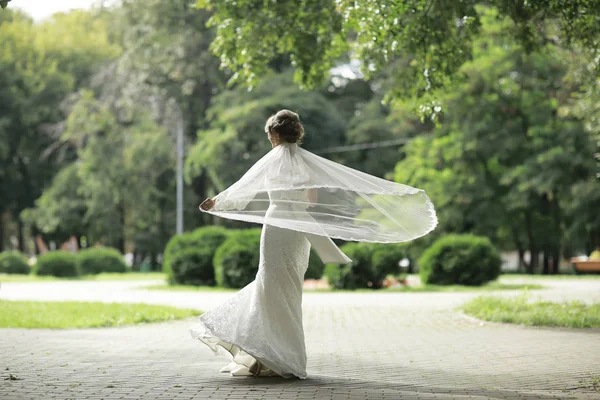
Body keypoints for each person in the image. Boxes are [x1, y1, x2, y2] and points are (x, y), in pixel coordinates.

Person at [190, 109, 437, 379]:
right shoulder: (306, 163)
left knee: (269, 287)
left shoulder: (273, 159)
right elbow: (311, 201)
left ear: (273, 133)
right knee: (289, 293)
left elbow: (244, 186)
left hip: (276, 227)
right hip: (298, 231)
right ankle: (276, 357)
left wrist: (218, 203)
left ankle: (267, 356)